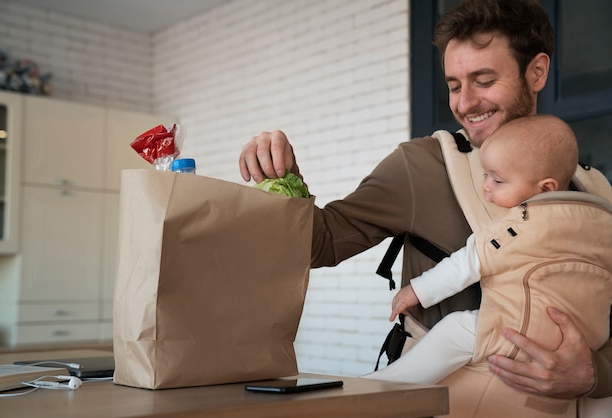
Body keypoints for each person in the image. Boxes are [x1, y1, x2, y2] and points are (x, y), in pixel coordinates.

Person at [239, 0, 612, 408]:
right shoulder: (424, 165)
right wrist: (284, 179)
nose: (465, 103)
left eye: (483, 81)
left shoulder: (594, 188)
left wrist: (596, 374)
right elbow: (319, 244)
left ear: (536, 72)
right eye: (454, 86)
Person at [362, 115, 611, 409]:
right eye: (485, 176)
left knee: (457, 329)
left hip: (518, 331)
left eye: (498, 180)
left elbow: (466, 264)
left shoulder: (520, 225)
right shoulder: (601, 222)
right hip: (585, 340)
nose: (486, 188)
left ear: (545, 189)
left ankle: (383, 386)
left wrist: (415, 291)